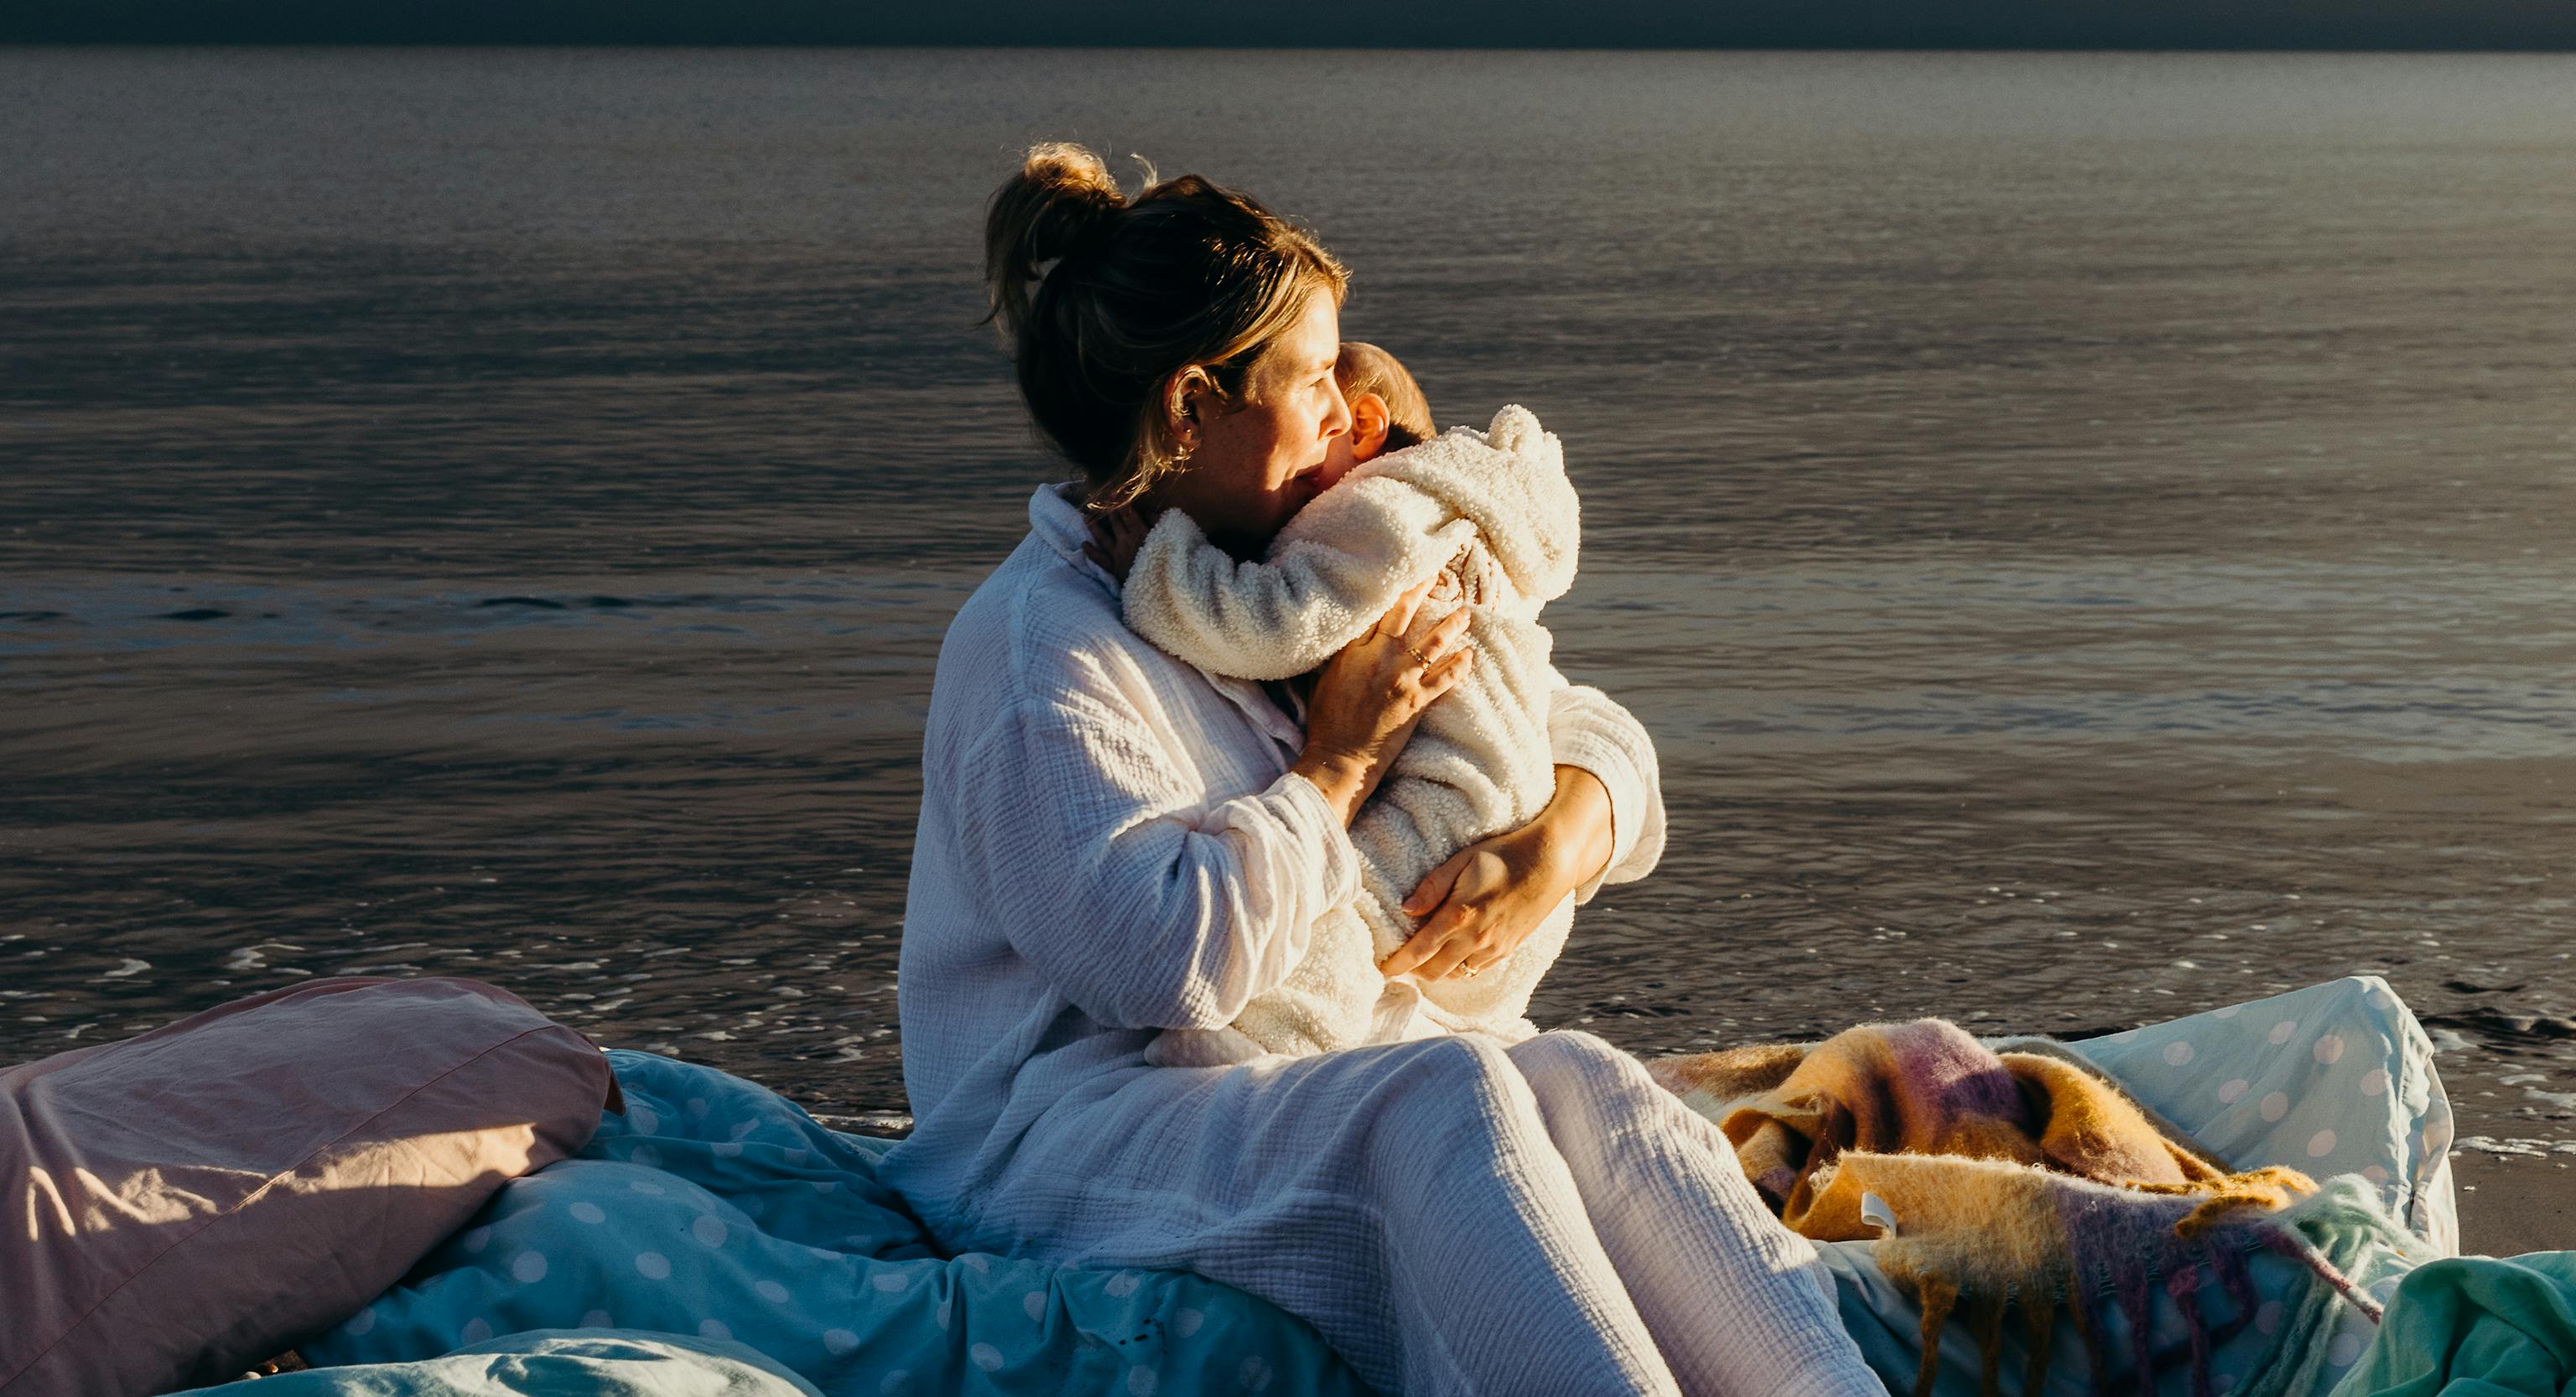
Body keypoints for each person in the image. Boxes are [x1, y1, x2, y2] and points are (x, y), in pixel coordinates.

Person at [879, 141, 1884, 1397]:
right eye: (1310, 380)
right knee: (1444, 1096)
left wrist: (1563, 837)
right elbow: (1159, 961)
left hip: (1281, 1075)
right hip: (1064, 1133)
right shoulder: (1043, 650)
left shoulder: (1267, 576)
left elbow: (1561, 712)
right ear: (1190, 408)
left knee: (1581, 1079)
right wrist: (1337, 763)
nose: (1345, 412)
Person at [1095, 341, 1590, 1066]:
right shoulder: (1476, 518)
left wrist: (1162, 568)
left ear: (1361, 427)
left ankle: (1272, 1050)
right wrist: (1563, 842)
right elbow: (1574, 707)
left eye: (1327, 401)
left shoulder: (1377, 509)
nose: (1315, 434)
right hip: (1515, 794)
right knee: (1433, 969)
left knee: (1325, 927)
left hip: (1450, 804)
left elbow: (1277, 625)